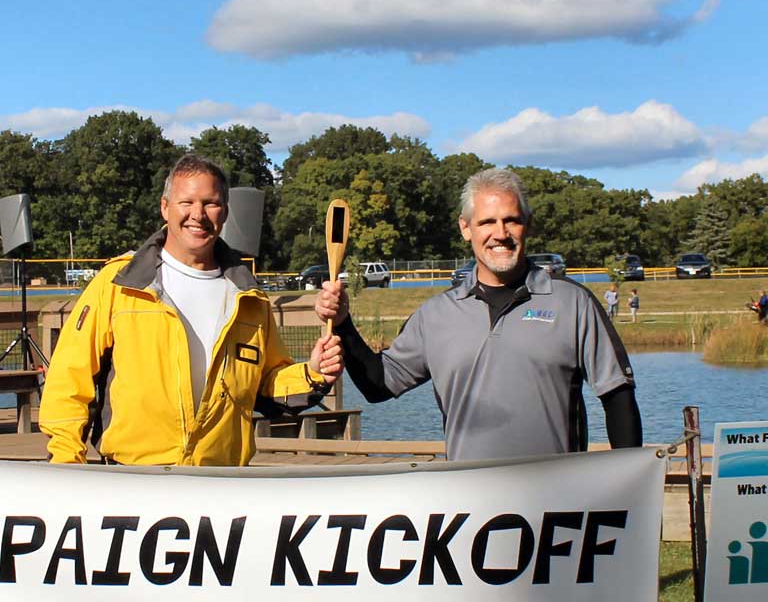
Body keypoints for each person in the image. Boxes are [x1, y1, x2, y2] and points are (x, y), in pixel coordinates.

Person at [314, 167, 641, 460]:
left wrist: (627, 487)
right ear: (466, 228)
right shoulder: (436, 315)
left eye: (511, 220)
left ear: (527, 225)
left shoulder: (573, 303)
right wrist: (343, 323)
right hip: (471, 508)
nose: (500, 233)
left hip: (554, 505)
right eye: (487, 222)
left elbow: (617, 396)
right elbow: (378, 385)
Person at [40, 153, 343, 466]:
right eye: (187, 202)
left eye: (210, 203)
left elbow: (268, 385)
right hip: (132, 479)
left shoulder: (250, 298)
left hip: (220, 483)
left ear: (224, 212)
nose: (198, 214)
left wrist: (314, 372)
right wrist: (66, 464)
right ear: (165, 207)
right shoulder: (118, 284)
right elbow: (69, 380)